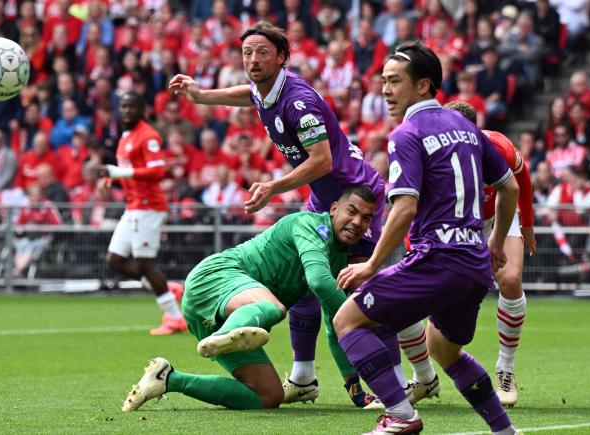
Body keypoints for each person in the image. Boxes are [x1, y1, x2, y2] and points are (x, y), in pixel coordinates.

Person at [169, 22, 414, 407]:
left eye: (263, 52)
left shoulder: (298, 102)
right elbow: (248, 95)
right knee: (303, 289)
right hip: (325, 199)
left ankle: (398, 383)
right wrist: (202, 96)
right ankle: (302, 377)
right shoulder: (266, 89)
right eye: (248, 52)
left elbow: (322, 160)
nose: (253, 60)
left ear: (282, 57)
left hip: (356, 198)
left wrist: (272, 187)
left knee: (357, 293)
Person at [332, 42, 521, 434]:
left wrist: (370, 265)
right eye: (383, 81)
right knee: (445, 350)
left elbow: (404, 209)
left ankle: (400, 415)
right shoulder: (467, 127)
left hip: (439, 259)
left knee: (347, 320)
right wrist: (497, 242)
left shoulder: (407, 133)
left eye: (394, 81)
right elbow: (511, 188)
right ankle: (505, 431)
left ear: (422, 85)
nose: (385, 89)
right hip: (474, 264)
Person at [121, 185, 376, 412]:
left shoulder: (338, 260)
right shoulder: (309, 225)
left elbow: (336, 325)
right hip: (216, 277)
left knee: (268, 396)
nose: (356, 221)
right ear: (334, 209)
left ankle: (167, 378)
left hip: (216, 314)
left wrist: (355, 388)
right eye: (351, 211)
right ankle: (229, 332)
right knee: (273, 307)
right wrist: (361, 317)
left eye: (366, 218)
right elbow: (320, 282)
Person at [444, 100, 536, 406]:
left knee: (510, 280)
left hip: (501, 214)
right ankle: (423, 376)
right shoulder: (436, 151)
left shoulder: (500, 148)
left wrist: (529, 225)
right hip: (460, 220)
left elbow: (521, 180)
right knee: (435, 289)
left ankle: (505, 368)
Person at [99, 92, 187, 336]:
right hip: (134, 205)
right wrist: (112, 179)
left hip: (148, 207)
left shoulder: (148, 136)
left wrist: (119, 174)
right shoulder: (126, 136)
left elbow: (157, 172)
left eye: (132, 106)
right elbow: (128, 171)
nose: (126, 111)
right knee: (114, 260)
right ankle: (168, 288)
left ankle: (174, 318)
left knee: (146, 263)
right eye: (123, 106)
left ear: (142, 110)